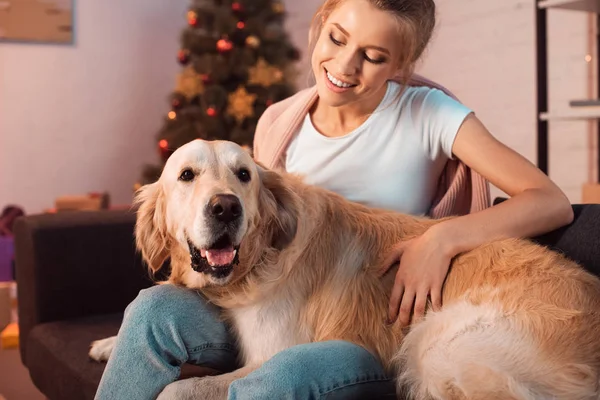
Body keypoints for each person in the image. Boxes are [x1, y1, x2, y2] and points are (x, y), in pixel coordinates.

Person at [95, 0, 574, 398]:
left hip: (369, 325)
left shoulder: (430, 114)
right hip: (275, 303)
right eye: (338, 38)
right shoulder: (279, 121)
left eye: (374, 56)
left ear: (402, 64)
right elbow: (250, 243)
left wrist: (441, 239)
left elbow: (550, 201)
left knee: (280, 375)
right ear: (320, 24)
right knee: (150, 311)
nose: (344, 67)